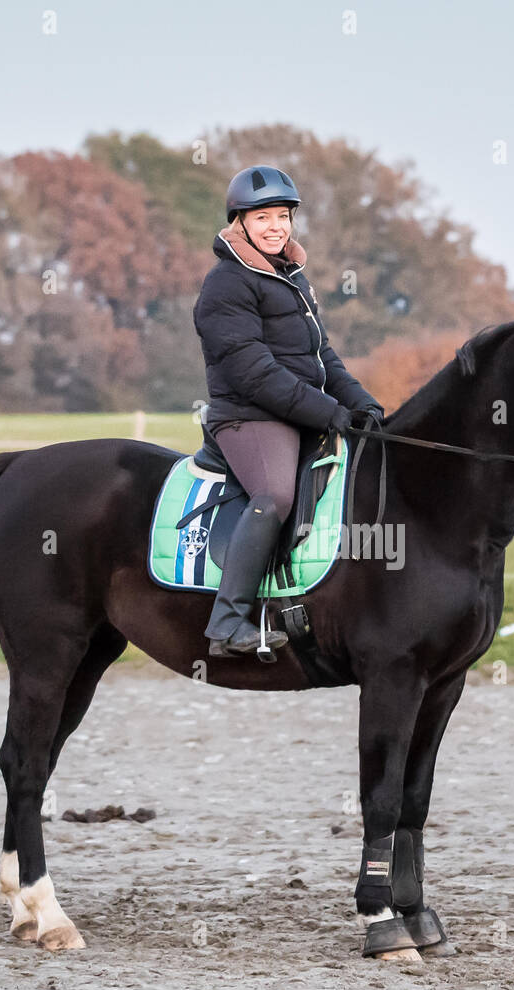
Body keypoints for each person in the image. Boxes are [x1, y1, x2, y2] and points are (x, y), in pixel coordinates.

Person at [193, 165, 384, 657]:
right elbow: (254, 373)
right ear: (239, 223)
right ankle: (227, 622)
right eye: (264, 218)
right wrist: (326, 412)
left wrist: (359, 401)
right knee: (276, 494)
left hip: (300, 410)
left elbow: (323, 357)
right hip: (249, 416)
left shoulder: (292, 278)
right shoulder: (225, 285)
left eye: (283, 216)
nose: (276, 226)